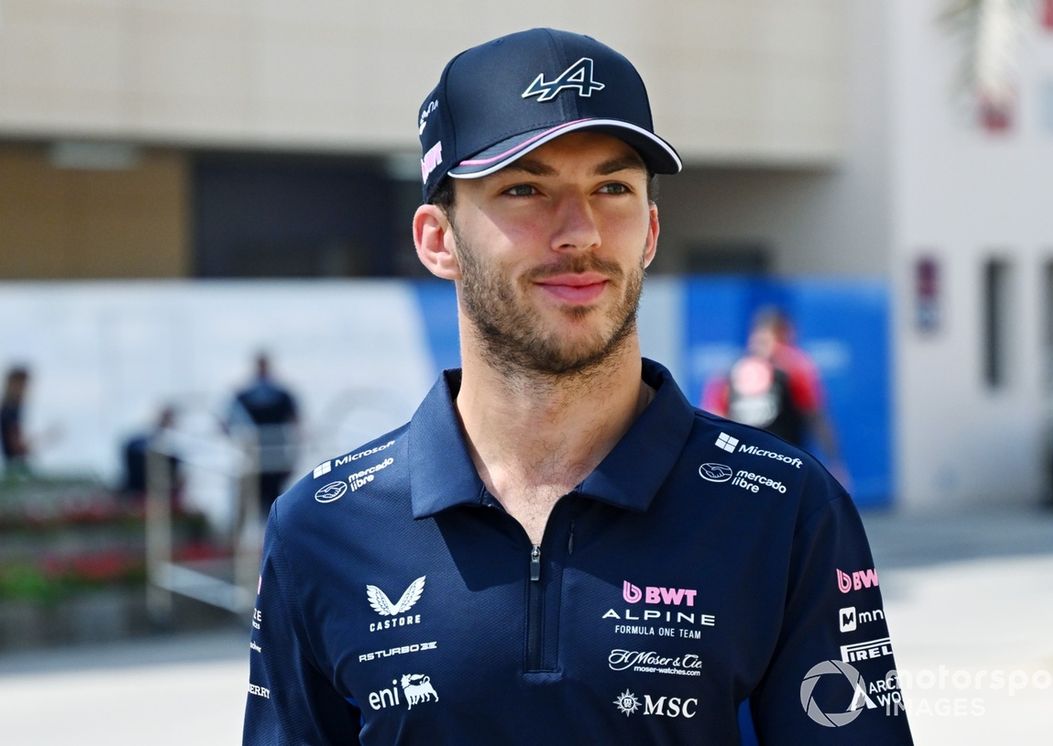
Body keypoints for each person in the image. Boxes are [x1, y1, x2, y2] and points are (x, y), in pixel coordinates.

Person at [244, 28, 913, 745]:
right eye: (525, 189)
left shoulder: (786, 508)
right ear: (438, 240)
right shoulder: (322, 527)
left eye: (612, 188)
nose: (580, 232)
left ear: (649, 231)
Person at [704, 307, 847, 482]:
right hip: (785, 466)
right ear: (785, 332)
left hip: (742, 470)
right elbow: (815, 416)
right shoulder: (794, 366)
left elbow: (715, 422)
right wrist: (834, 461)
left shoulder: (728, 371)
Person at [227, 352, 300, 517]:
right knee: (258, 503)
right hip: (253, 457)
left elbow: (296, 423)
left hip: (273, 457)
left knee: (272, 501)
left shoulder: (279, 395)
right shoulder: (247, 395)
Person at [1, 366, 32, 477]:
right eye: (22, 385)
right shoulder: (10, 409)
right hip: (14, 468)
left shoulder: (10, 408)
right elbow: (16, 447)